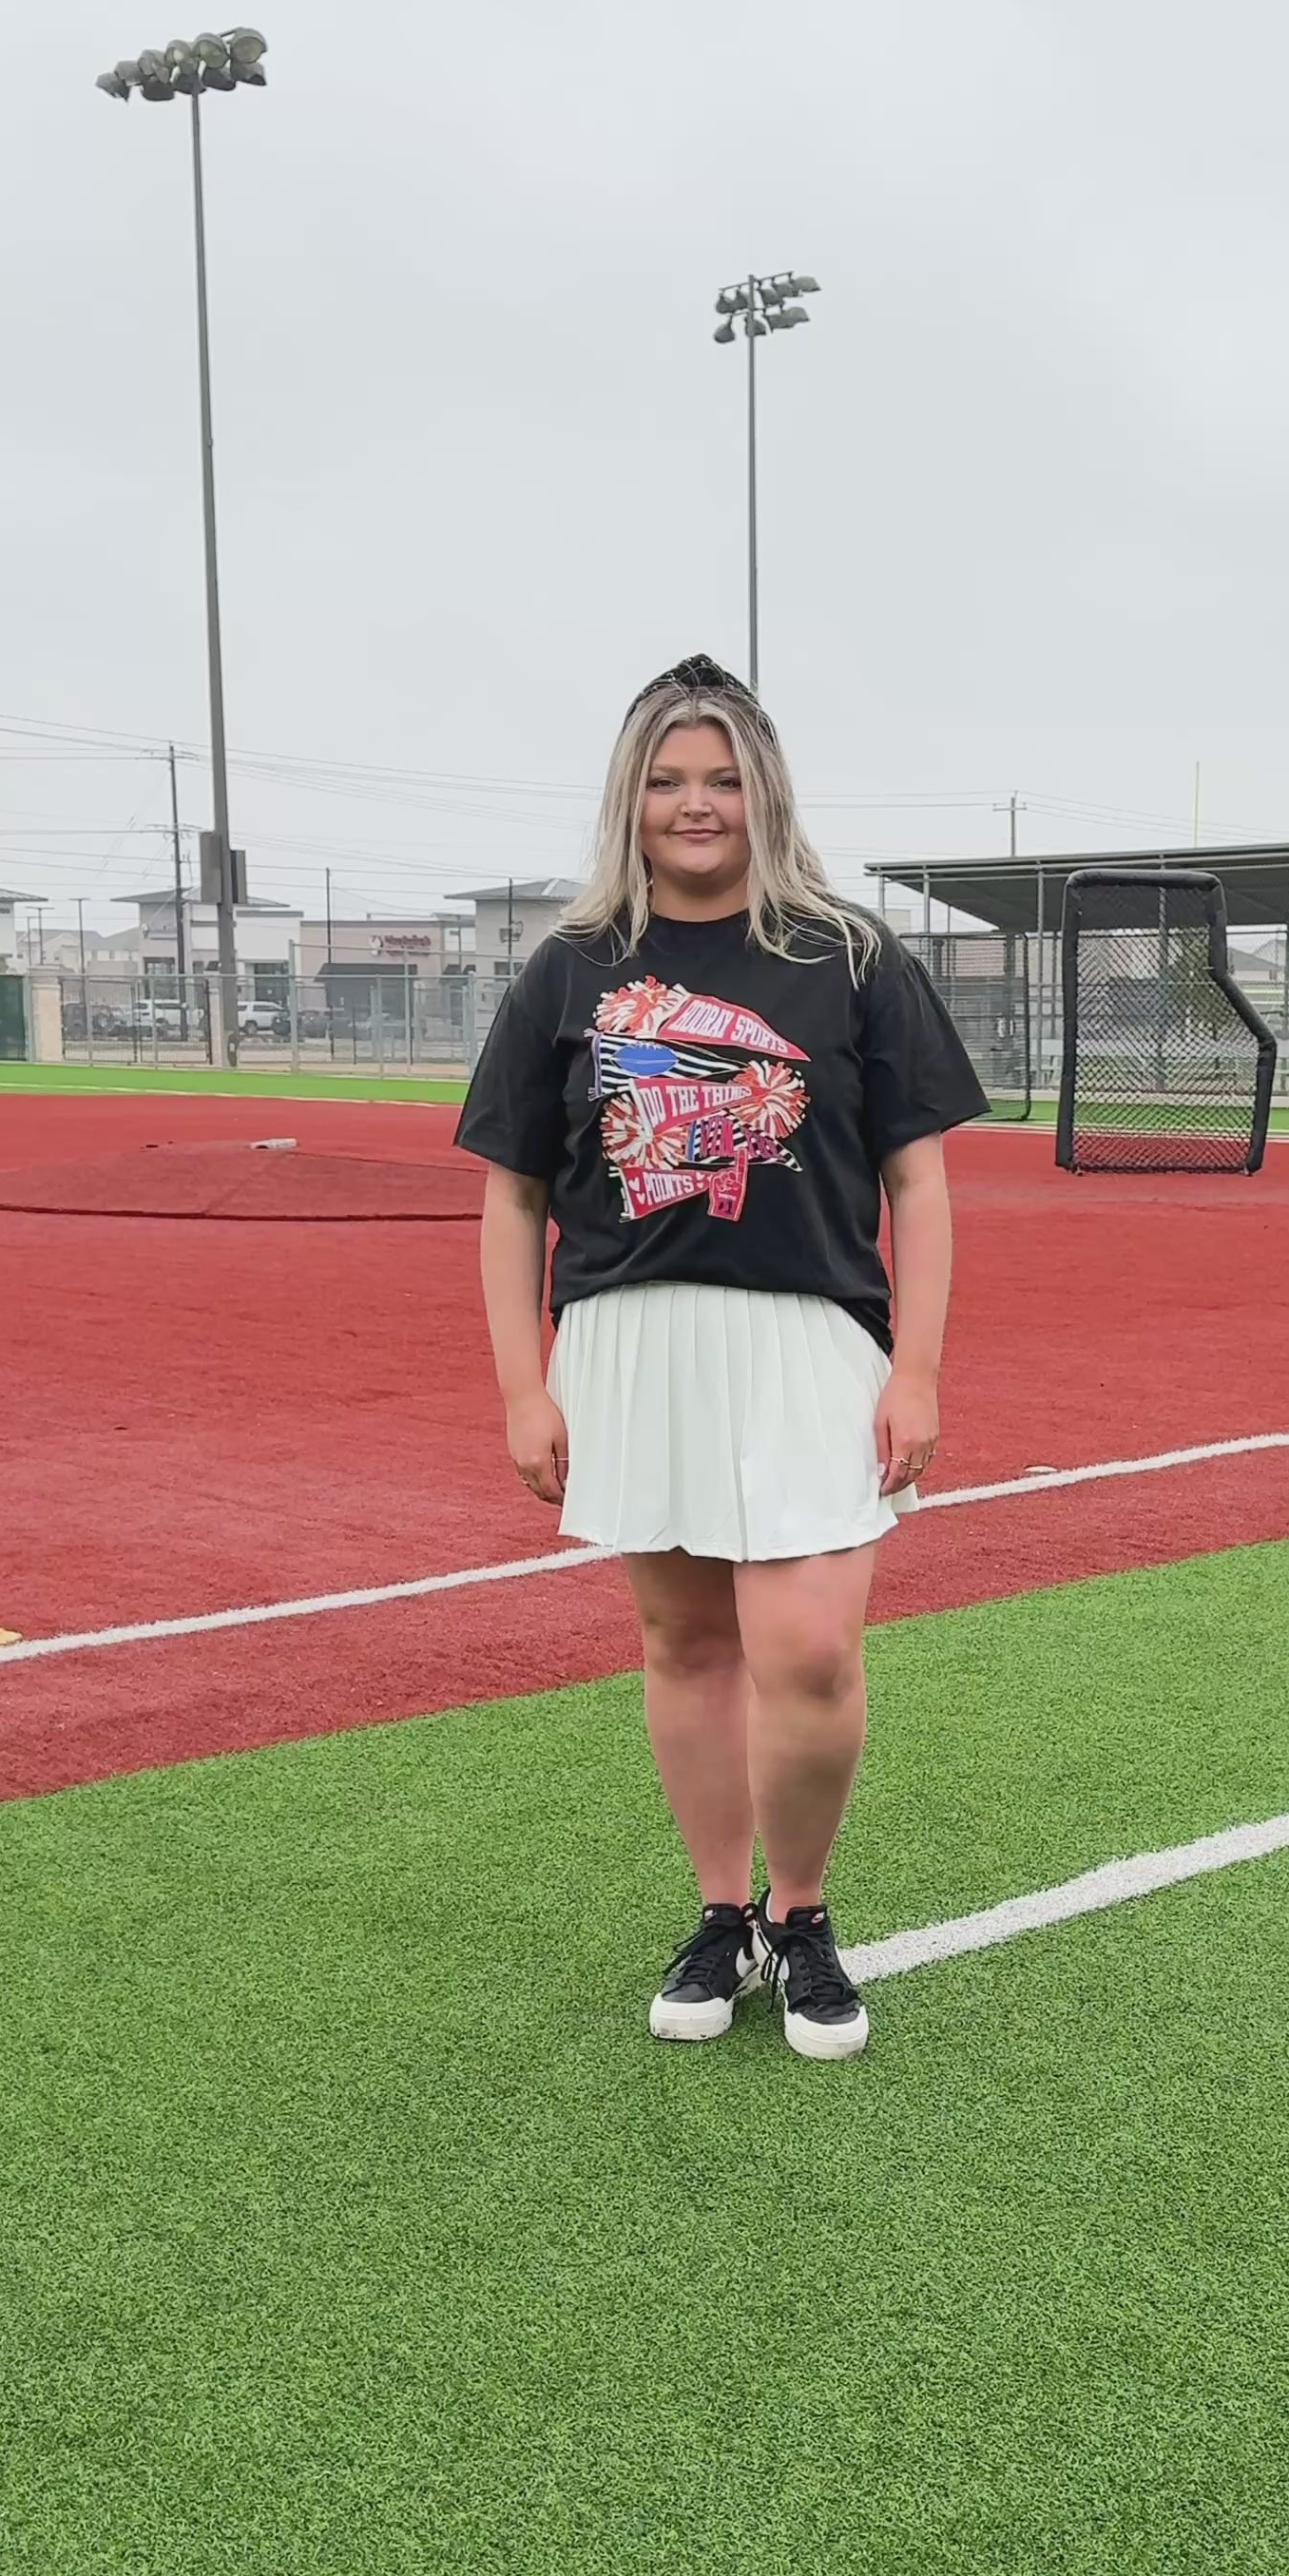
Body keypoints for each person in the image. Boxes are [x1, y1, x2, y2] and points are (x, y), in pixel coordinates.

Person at [457, 655, 987, 2059]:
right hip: (629, 1341)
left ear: (766, 793)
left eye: (723, 779)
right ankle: (717, 1911)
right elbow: (512, 1196)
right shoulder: (570, 969)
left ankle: (801, 1914)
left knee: (806, 1647)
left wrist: (916, 1368)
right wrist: (525, 1384)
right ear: (630, 801)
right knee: (684, 1642)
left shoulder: (852, 958)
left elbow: (920, 1186)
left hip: (812, 1339)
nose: (696, 806)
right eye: (667, 780)